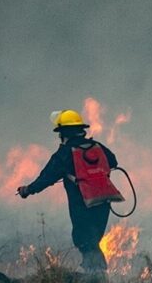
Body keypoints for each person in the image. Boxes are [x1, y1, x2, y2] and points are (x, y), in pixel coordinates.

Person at [17, 109, 122, 273]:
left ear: (62, 133)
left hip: (82, 203)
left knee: (83, 240)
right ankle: (96, 274)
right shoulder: (97, 146)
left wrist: (27, 190)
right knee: (93, 239)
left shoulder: (65, 153)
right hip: (103, 201)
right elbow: (113, 161)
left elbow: (46, 178)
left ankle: (96, 277)